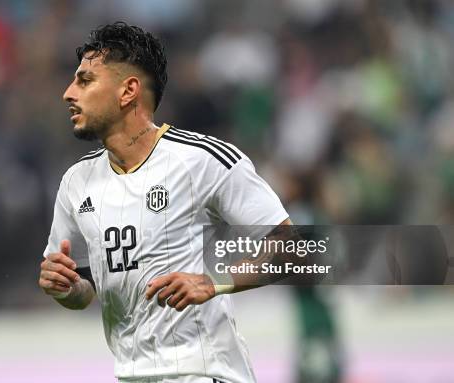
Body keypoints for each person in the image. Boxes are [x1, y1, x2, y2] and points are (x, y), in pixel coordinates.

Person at [39, 22, 291, 383]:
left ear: (128, 91)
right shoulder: (76, 183)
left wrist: (213, 281)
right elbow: (83, 289)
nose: (67, 93)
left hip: (204, 373)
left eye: (85, 81)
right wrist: (64, 286)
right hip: (130, 375)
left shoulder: (202, 159)